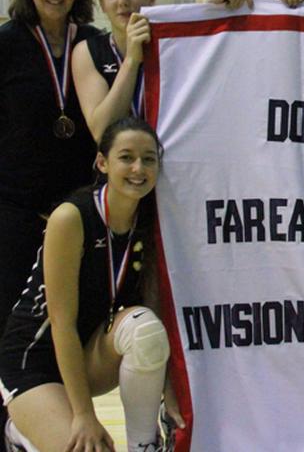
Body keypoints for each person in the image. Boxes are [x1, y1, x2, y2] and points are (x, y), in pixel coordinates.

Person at [0, 118, 183, 452]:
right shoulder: (72, 217)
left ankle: (145, 444)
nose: (138, 168)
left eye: (148, 159)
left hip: (88, 355)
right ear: (103, 162)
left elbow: (154, 307)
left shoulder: (150, 220)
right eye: (126, 157)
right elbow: (62, 324)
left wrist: (170, 390)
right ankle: (20, 433)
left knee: (145, 327)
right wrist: (84, 415)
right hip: (35, 359)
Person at [0, 0, 100, 354]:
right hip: (15, 207)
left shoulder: (93, 41)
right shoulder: (6, 43)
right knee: (7, 313)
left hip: (76, 208)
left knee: (69, 316)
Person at [73, 0, 157, 142]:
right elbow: (102, 132)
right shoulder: (87, 51)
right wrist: (132, 60)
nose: (122, 1)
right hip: (115, 168)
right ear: (102, 4)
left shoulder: (171, 47)